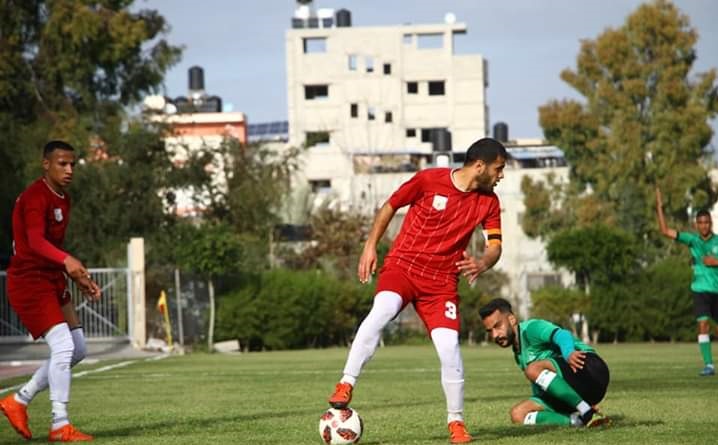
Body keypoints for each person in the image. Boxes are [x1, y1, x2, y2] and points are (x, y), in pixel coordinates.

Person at [327, 138, 507, 444]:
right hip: (403, 266)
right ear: (480, 166)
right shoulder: (428, 180)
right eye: (498, 168)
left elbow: (495, 246)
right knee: (382, 311)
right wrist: (370, 246)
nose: (501, 175)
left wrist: (483, 262)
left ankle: (456, 422)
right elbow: (390, 206)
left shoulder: (489, 202)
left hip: (441, 283)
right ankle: (346, 383)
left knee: (449, 348)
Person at [0, 140, 101, 442]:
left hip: (51, 279)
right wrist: (68, 260)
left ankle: (18, 401)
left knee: (78, 348)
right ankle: (59, 423)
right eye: (62, 164)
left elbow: (51, 249)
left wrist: (77, 277)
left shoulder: (63, 198)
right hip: (30, 281)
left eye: (72, 164)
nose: (69, 170)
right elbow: (35, 242)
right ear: (46, 164)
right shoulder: (35, 197)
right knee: (63, 347)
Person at [479, 298, 610, 428]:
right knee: (518, 414)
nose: (494, 335)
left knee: (532, 369)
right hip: (575, 388)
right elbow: (543, 384)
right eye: (490, 331)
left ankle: (586, 411)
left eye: (497, 326)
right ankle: (577, 420)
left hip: (589, 368)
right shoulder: (518, 353)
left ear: (512, 319)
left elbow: (562, 334)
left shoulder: (531, 329)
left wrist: (569, 353)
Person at [656, 187, 718, 376]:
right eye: (700, 223)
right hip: (700, 290)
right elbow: (665, 231)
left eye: (707, 222)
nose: (704, 226)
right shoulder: (692, 240)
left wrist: (716, 262)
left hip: (716, 290)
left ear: (711, 223)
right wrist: (659, 208)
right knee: (703, 324)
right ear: (696, 225)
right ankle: (709, 365)